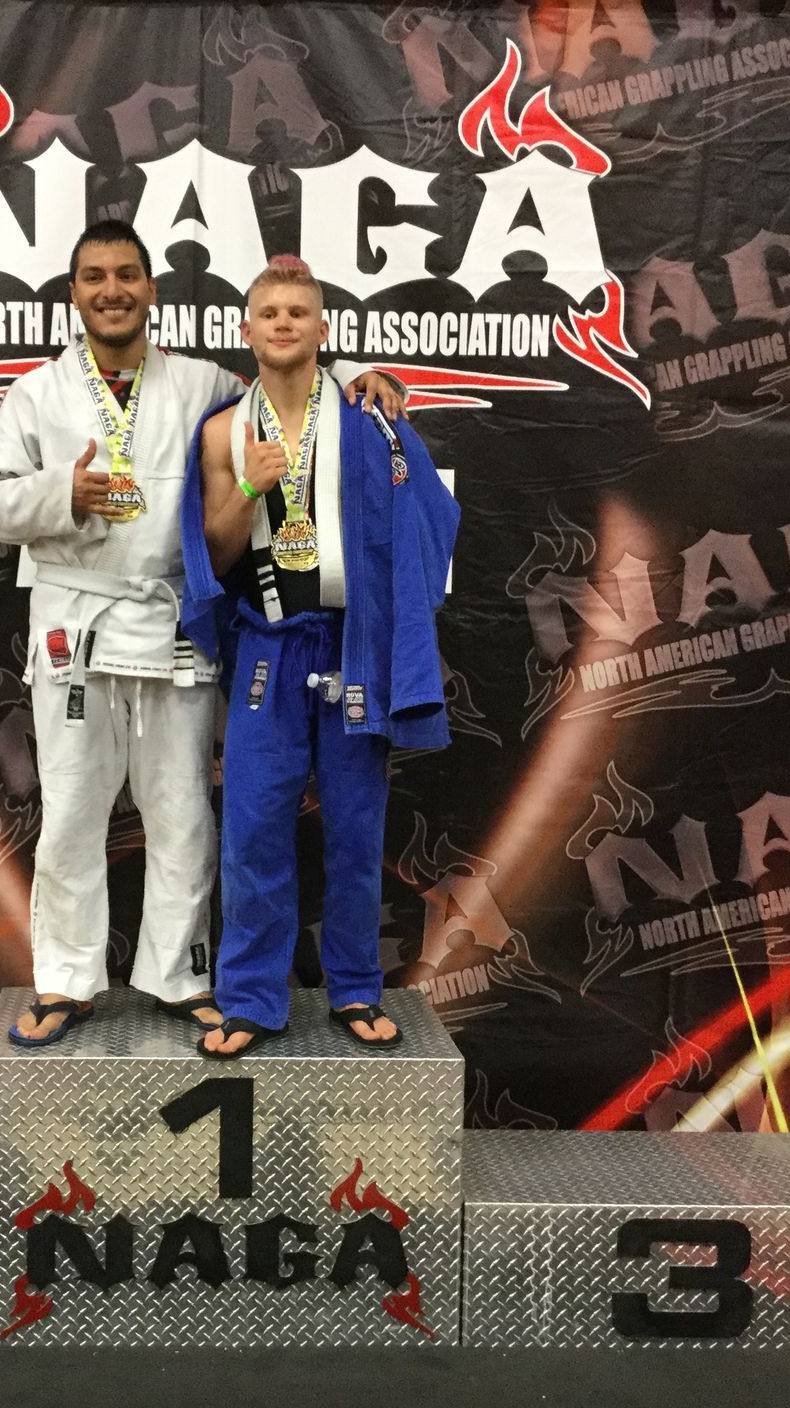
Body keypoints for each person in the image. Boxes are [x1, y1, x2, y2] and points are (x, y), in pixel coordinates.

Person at [0, 222, 404, 1045]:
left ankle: (178, 973)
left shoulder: (201, 384)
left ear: (151, 290)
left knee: (182, 813)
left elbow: (285, 380)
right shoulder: (36, 394)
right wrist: (64, 492)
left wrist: (350, 372)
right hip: (76, 626)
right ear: (74, 294)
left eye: (127, 275)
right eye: (94, 277)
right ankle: (64, 979)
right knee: (71, 813)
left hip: (173, 623)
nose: (112, 290)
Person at [180, 256, 459, 1058]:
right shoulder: (221, 432)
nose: (283, 323)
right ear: (246, 329)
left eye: (299, 312)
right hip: (269, 648)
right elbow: (215, 555)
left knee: (356, 828)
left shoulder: (371, 418)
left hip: (352, 648)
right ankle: (251, 1000)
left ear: (323, 329)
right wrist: (248, 491)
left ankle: (357, 990)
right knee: (254, 830)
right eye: (269, 312)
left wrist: (402, 615)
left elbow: (430, 523)